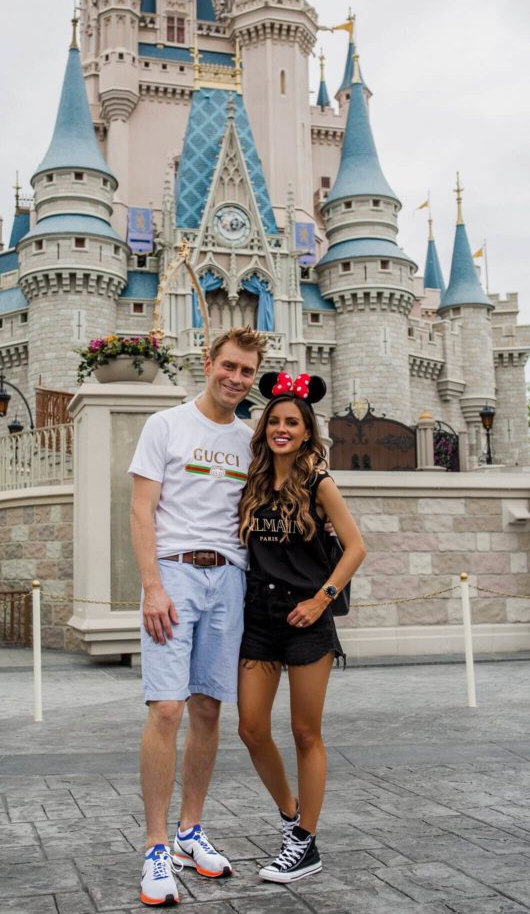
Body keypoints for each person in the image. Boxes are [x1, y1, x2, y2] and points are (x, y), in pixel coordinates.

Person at [129, 326, 267, 907]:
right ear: (207, 362)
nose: (236, 378)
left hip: (228, 578)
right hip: (176, 574)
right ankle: (157, 846)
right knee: (166, 708)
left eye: (247, 372)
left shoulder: (250, 438)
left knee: (208, 707)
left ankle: (190, 831)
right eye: (228, 366)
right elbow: (140, 510)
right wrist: (153, 587)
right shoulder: (166, 425)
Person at [237, 370, 366, 884]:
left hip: (305, 620)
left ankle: (305, 843)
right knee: (250, 728)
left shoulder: (319, 481)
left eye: (293, 422)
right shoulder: (251, 480)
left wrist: (322, 600)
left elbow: (356, 548)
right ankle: (293, 821)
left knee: (305, 732)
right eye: (275, 421)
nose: (283, 428)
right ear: (264, 427)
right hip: (260, 617)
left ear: (308, 432)